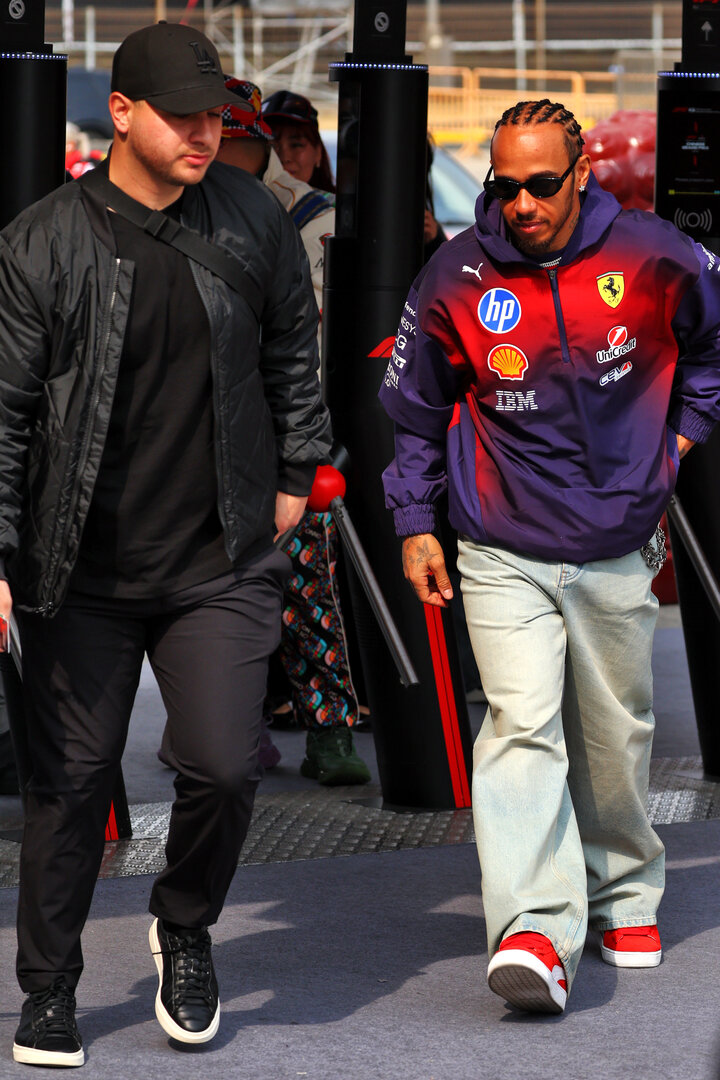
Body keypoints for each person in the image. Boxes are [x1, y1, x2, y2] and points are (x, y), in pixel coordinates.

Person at [0, 22, 331, 1066]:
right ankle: (49, 987)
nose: (204, 134)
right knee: (71, 785)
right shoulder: (41, 242)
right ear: (122, 113)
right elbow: (6, 413)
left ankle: (184, 926)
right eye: (181, 116)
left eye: (215, 118)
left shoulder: (251, 213)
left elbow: (293, 340)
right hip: (78, 567)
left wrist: (297, 470)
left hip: (219, 556)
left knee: (226, 767)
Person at [378, 98, 720, 1014]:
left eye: (540, 184)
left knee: (613, 732)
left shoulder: (651, 253)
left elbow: (712, 346)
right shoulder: (456, 274)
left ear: (580, 174)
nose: (521, 204)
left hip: (616, 539)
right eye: (505, 186)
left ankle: (624, 893)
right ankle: (534, 928)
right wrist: (416, 522)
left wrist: (678, 444)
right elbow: (414, 410)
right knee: (521, 727)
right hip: (500, 542)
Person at [216, 78, 370, 785]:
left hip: (286, 434)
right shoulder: (175, 206)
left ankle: (330, 730)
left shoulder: (311, 216)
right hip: (203, 435)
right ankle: (230, 729)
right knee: (212, 600)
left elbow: (311, 348)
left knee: (309, 589)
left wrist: (305, 446)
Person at [261, 90, 335, 193]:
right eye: (271, 146)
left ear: (318, 153)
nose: (284, 158)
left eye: (296, 145)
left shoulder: (341, 202)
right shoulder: (241, 201)